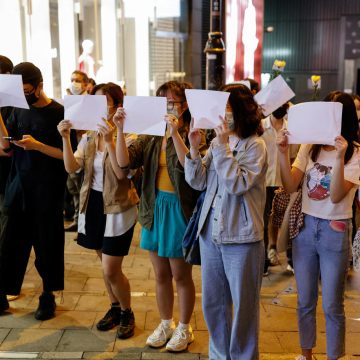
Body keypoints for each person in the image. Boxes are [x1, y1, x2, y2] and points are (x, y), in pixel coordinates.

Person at [114, 81, 206, 352]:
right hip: (154, 208)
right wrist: (119, 131)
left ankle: (184, 327)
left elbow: (194, 166)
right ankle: (166, 322)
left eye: (172, 102)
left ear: (184, 105)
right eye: (162, 103)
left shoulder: (196, 130)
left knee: (181, 275)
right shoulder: (151, 134)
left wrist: (176, 133)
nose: (167, 108)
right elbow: (124, 162)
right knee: (160, 274)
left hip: (180, 209)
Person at [185, 83, 267, 359]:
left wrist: (219, 149)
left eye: (228, 111)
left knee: (244, 308)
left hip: (242, 237)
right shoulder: (219, 144)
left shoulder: (255, 146)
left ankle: (243, 356)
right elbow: (197, 181)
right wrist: (194, 150)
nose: (223, 117)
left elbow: (237, 183)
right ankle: (219, 355)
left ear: (242, 113)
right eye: (221, 110)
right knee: (213, 303)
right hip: (211, 234)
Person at [276, 91, 360, 360]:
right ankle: (306, 354)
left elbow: (336, 196)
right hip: (305, 228)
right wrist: (281, 153)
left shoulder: (355, 153)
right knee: (304, 301)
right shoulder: (308, 146)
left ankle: (335, 356)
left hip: (335, 229)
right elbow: (290, 186)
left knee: (333, 304)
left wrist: (338, 157)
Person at [57, 82, 138, 339]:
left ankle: (127, 311)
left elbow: (121, 172)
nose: (101, 109)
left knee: (110, 269)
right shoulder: (88, 136)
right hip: (92, 204)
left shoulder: (129, 135)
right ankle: (114, 307)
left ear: (117, 106)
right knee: (103, 263)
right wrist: (65, 138)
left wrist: (111, 140)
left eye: (106, 103)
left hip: (119, 207)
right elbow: (72, 168)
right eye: (96, 103)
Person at [0, 62, 76, 319]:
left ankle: (48, 295)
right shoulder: (16, 109)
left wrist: (38, 146)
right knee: (11, 244)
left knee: (47, 245)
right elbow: (5, 148)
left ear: (39, 86)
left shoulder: (60, 112)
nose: (25, 95)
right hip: (18, 187)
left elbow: (70, 158)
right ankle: (4, 293)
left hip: (47, 190)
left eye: (28, 90)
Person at [261, 102, 290, 273]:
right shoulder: (261, 126)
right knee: (263, 221)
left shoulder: (290, 128)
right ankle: (264, 260)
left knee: (283, 220)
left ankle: (278, 250)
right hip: (263, 181)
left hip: (283, 181)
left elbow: (293, 156)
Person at [64, 70, 89, 233]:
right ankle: (77, 220)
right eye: (72, 80)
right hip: (73, 149)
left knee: (82, 187)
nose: (74, 83)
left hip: (86, 149)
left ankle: (83, 223)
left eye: (78, 80)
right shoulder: (69, 100)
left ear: (86, 84)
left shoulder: (91, 101)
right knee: (73, 187)